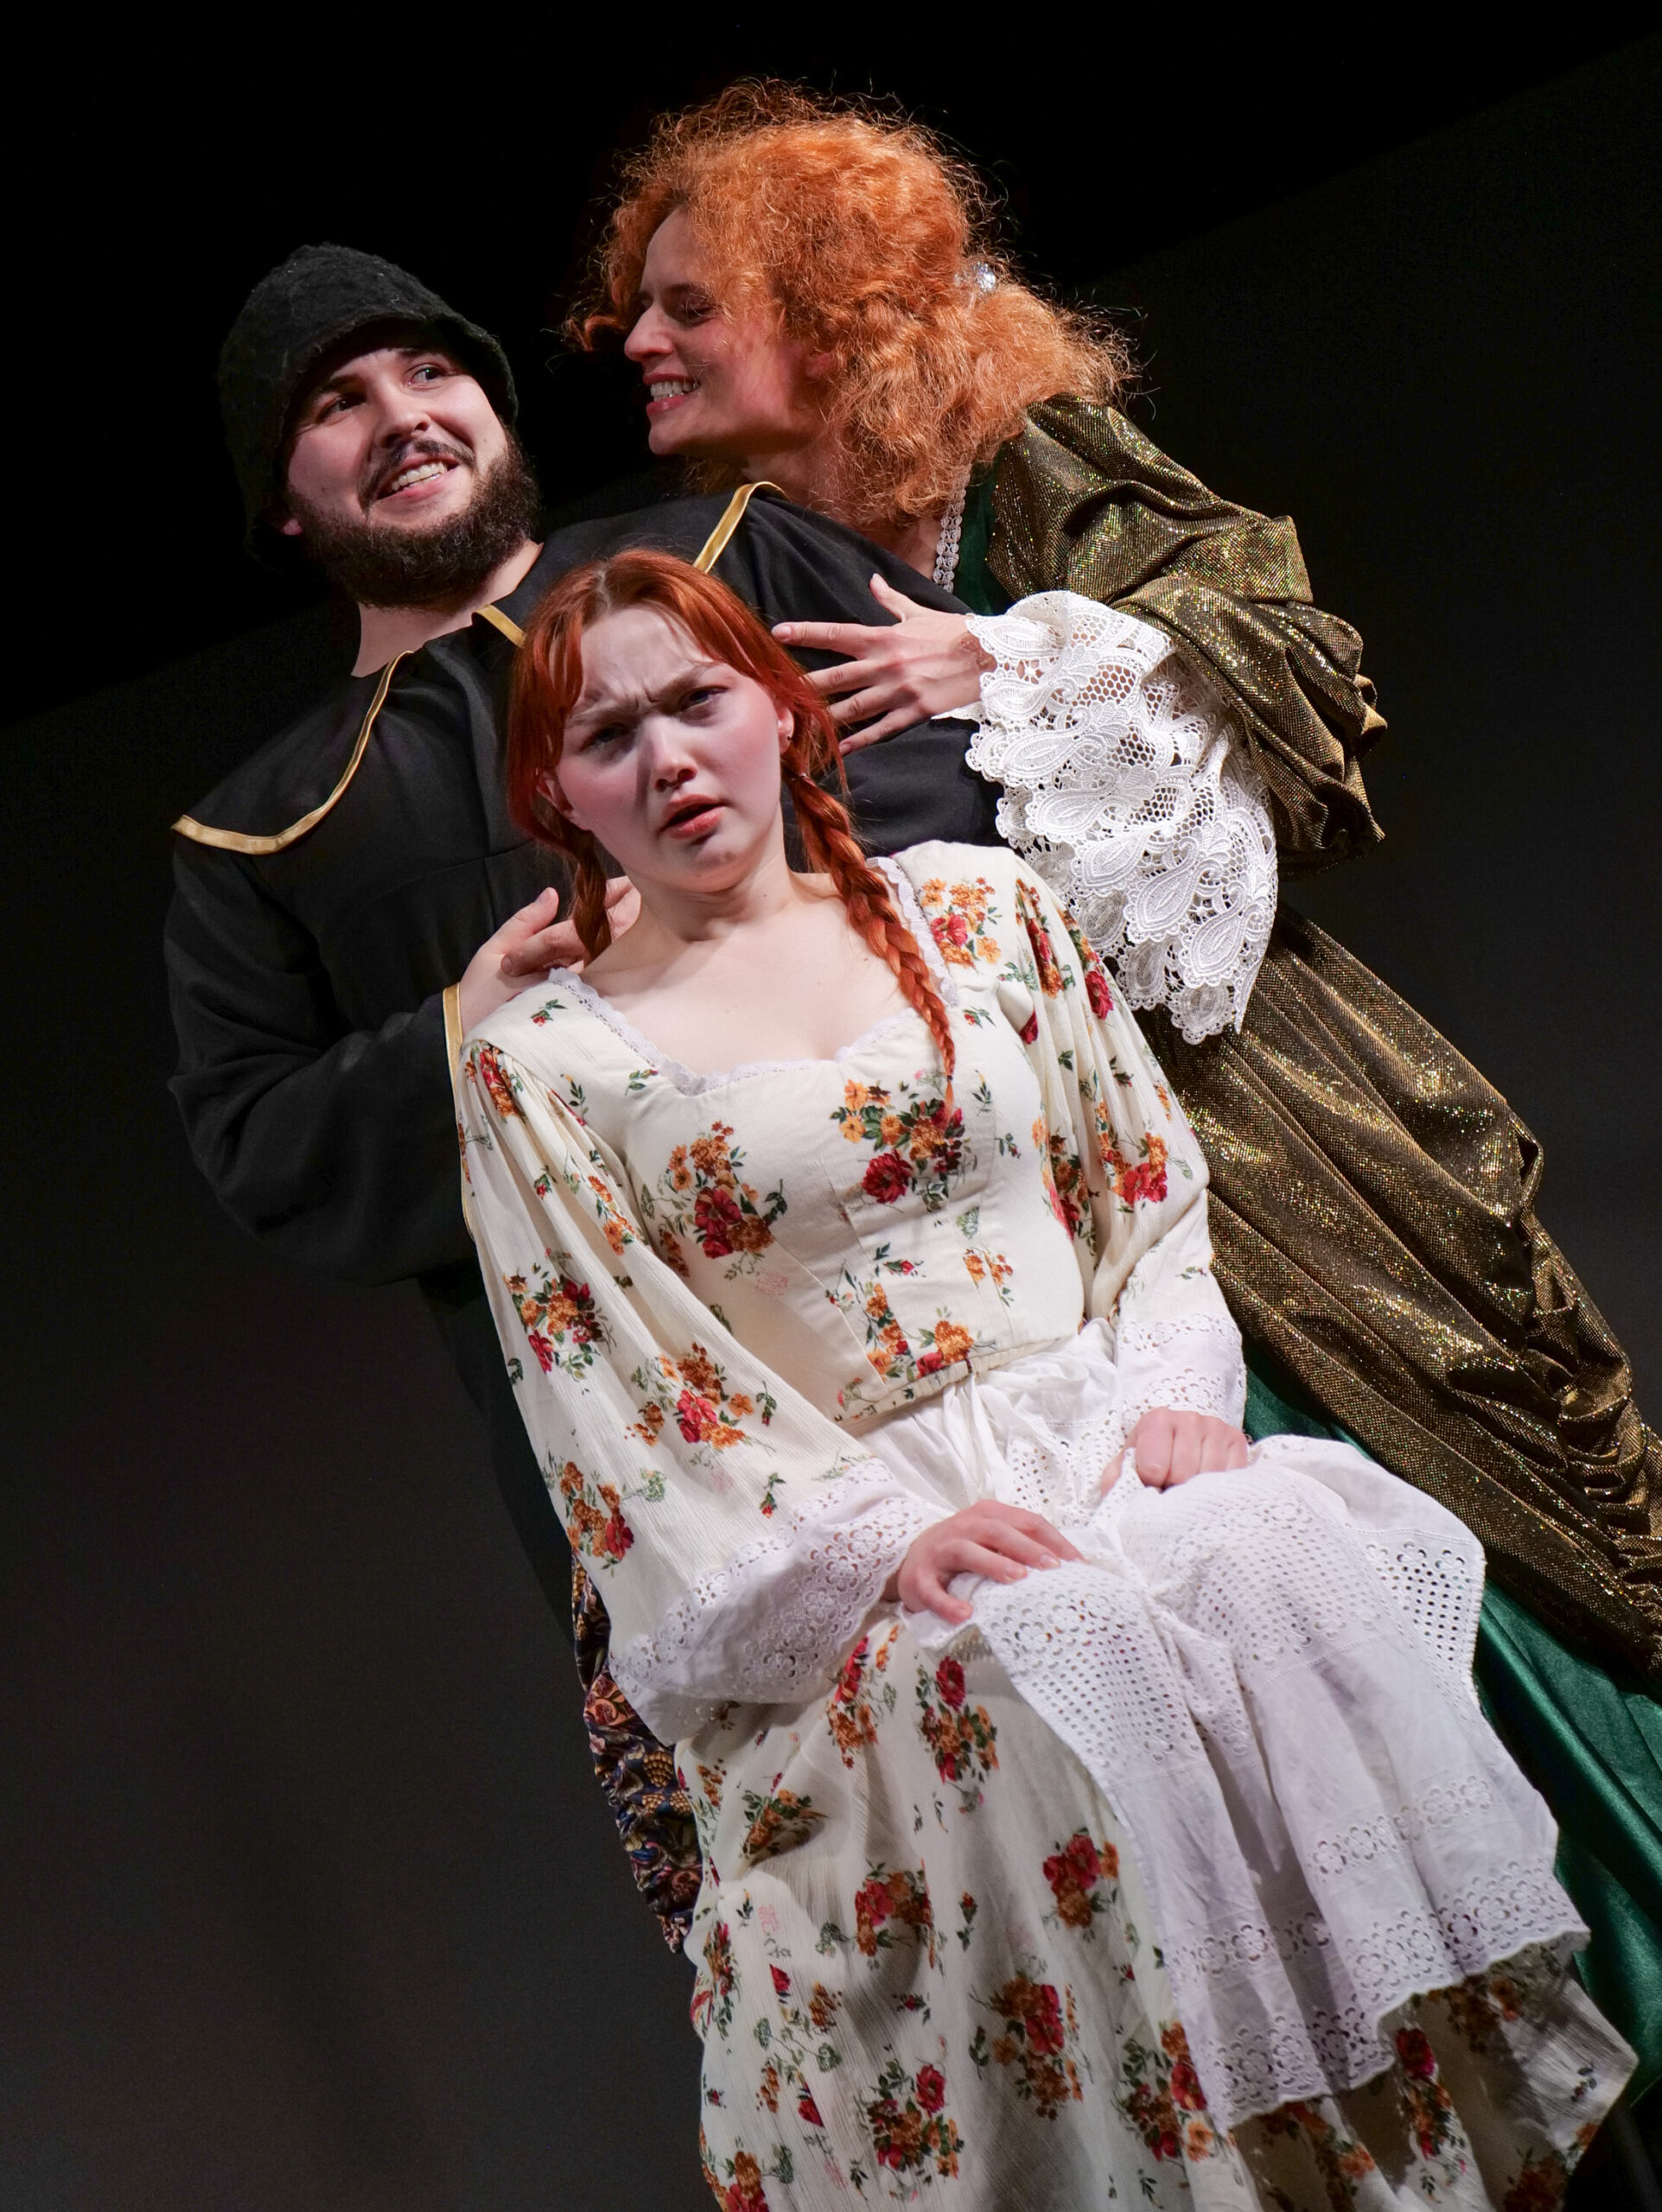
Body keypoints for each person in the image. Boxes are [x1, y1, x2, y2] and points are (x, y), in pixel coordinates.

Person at [573, 86, 1662, 2105]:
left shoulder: (1018, 462)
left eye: (684, 303)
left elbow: (1294, 665)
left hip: (1241, 1134)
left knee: (1426, 1580)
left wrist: (1005, 665)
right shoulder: (732, 568)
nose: (634, 340)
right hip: (1024, 1190)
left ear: (817, 304)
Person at [455, 543, 1631, 2209]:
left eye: (697, 703)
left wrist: (1176, 1398)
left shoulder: (980, 910)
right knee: (1040, 1668)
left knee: (1266, 1556)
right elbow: (619, 1391)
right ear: (557, 797)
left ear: (779, 709)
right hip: (872, 1537)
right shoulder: (547, 1061)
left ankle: (1410, 2164)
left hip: (1102, 1441)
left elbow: (1145, 1188)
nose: (668, 761)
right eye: (608, 737)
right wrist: (879, 1551)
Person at [167, 240, 1010, 1937]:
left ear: (492, 399)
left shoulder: (726, 552)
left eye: (430, 370)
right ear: (284, 502)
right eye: (338, 404)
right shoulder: (261, 836)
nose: (403, 415)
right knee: (863, 1946)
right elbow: (261, 1146)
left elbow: (961, 788)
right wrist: (459, 1029)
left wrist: (716, 941)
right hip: (668, 1454)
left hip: (958, 1318)